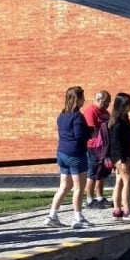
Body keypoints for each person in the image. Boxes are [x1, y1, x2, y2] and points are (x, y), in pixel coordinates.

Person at [44, 86, 93, 229]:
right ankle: (78, 217)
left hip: (62, 153)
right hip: (76, 155)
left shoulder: (62, 115)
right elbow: (79, 136)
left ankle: (52, 215)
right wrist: (91, 132)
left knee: (64, 186)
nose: (84, 100)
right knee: (78, 188)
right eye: (83, 97)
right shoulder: (78, 116)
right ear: (77, 99)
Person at [108, 92, 130, 221]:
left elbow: (127, 133)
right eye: (129, 103)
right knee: (129, 180)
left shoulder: (123, 118)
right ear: (123, 105)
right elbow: (117, 143)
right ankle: (127, 210)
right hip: (120, 156)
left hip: (122, 155)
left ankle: (117, 210)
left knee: (120, 181)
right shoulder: (117, 122)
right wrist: (123, 160)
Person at [82, 91, 111, 209]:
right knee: (92, 172)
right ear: (98, 99)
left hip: (104, 146)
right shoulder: (91, 111)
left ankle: (100, 197)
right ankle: (89, 199)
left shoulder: (105, 112)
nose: (107, 105)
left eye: (109, 102)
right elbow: (92, 131)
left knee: (101, 173)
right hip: (93, 146)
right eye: (105, 102)